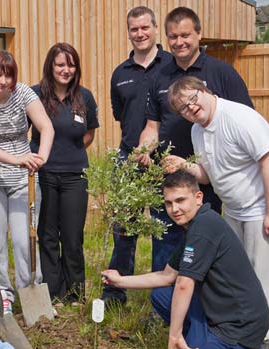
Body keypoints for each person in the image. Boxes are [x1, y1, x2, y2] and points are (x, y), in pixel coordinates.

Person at [165, 76, 269, 349]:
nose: (191, 108)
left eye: (193, 99)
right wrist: (183, 167)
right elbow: (209, 175)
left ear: (204, 89)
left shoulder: (240, 118)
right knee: (243, 280)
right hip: (238, 211)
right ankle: (239, 348)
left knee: (266, 282)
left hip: (268, 206)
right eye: (184, 108)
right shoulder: (198, 131)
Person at [102, 170, 269, 349]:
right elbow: (167, 276)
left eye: (181, 200)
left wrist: (174, 336)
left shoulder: (204, 228)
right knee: (160, 295)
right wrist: (120, 281)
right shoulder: (195, 226)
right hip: (219, 314)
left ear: (198, 198)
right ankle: (202, 344)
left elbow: (183, 284)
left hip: (239, 329)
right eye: (169, 203)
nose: (174, 209)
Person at [137, 6, 253, 273]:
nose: (179, 42)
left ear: (199, 34)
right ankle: (162, 304)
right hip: (168, 175)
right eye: (173, 36)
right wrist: (144, 148)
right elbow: (152, 126)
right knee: (165, 243)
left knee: (205, 244)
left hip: (210, 176)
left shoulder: (222, 73)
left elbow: (244, 122)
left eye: (185, 35)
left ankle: (204, 306)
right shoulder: (159, 77)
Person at [0, 51, 54, 315]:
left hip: (22, 180)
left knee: (25, 240)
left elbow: (46, 127)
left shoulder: (23, 93)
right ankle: (1, 292)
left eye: (8, 74)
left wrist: (42, 157)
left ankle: (29, 289)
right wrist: (17, 159)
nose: (3, 81)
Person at [103, 5, 173, 307]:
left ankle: (163, 297)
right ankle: (116, 292)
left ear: (155, 29)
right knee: (124, 230)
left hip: (165, 161)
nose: (140, 34)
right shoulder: (120, 74)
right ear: (128, 33)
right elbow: (121, 115)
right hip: (128, 160)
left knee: (163, 229)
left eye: (145, 27)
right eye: (134, 29)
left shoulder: (171, 66)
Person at [30, 43, 99, 305]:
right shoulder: (35, 95)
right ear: (50, 66)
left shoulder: (85, 97)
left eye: (71, 65)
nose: (66, 70)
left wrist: (71, 150)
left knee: (72, 236)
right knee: (47, 235)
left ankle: (74, 292)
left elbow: (90, 132)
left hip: (74, 176)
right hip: (44, 175)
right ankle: (52, 292)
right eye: (60, 64)